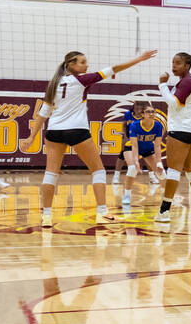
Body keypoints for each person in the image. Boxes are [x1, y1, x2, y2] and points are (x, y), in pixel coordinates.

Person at [28, 48, 158, 227]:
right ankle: (102, 213)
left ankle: (47, 217)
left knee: (51, 173)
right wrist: (139, 59)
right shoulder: (81, 80)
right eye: (83, 62)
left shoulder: (54, 84)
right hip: (77, 130)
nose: (87, 65)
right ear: (72, 65)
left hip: (54, 131)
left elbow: (43, 113)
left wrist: (31, 137)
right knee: (98, 171)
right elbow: (114, 68)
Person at [155, 52, 191, 223]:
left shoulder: (186, 81)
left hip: (180, 130)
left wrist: (162, 85)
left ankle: (164, 211)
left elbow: (173, 103)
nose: (174, 66)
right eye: (173, 62)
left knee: (174, 170)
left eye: (178, 63)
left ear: (187, 66)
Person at [121, 103, 164, 206]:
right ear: (143, 114)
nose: (151, 114)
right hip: (131, 147)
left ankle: (165, 196)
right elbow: (134, 146)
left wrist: (159, 162)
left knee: (161, 172)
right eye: (148, 112)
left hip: (147, 148)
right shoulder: (135, 125)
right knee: (132, 168)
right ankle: (127, 195)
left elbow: (157, 145)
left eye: (153, 112)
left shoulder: (158, 125)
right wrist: (136, 161)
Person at [111, 103, 146, 186]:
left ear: (143, 108)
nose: (138, 107)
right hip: (130, 139)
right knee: (122, 155)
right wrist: (124, 137)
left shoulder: (145, 116)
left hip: (141, 138)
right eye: (136, 105)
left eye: (140, 106)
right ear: (133, 107)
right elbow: (124, 125)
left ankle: (152, 177)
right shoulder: (128, 114)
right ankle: (116, 176)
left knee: (147, 155)